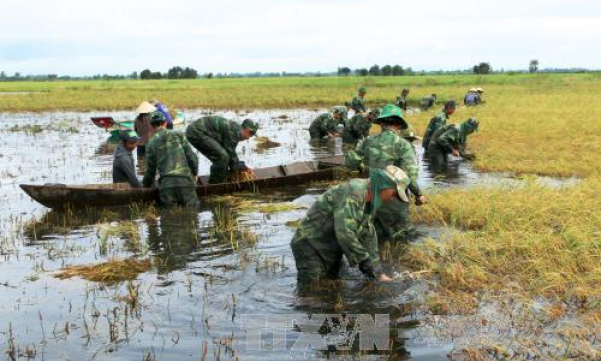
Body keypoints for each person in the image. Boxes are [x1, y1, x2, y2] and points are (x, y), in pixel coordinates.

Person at [291, 165, 410, 283]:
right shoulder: (355, 191)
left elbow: (368, 234)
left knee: (333, 285)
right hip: (310, 244)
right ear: (385, 185)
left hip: (331, 246)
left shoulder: (370, 202)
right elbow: (345, 232)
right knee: (313, 290)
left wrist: (377, 271)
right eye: (393, 194)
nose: (391, 198)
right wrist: (364, 261)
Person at [346, 104, 426, 241]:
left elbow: (349, 163)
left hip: (369, 198)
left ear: (381, 123)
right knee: (401, 239)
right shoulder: (404, 145)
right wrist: (419, 195)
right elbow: (409, 177)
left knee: (375, 238)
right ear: (399, 125)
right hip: (393, 200)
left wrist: (362, 167)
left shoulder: (366, 141)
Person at [142, 112, 200, 208]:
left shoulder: (150, 144)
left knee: (169, 219)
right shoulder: (179, 134)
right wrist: (195, 173)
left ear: (151, 126)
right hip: (185, 182)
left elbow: (150, 172)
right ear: (165, 123)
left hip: (167, 186)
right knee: (192, 216)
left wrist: (145, 187)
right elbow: (192, 157)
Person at [185, 116, 259, 184]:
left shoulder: (236, 130)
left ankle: (220, 180)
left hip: (199, 132)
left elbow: (231, 154)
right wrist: (241, 167)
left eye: (253, 134)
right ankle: (214, 185)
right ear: (245, 129)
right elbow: (231, 156)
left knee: (223, 157)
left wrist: (238, 165)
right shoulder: (234, 132)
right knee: (223, 157)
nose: (249, 137)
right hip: (196, 132)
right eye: (251, 133)